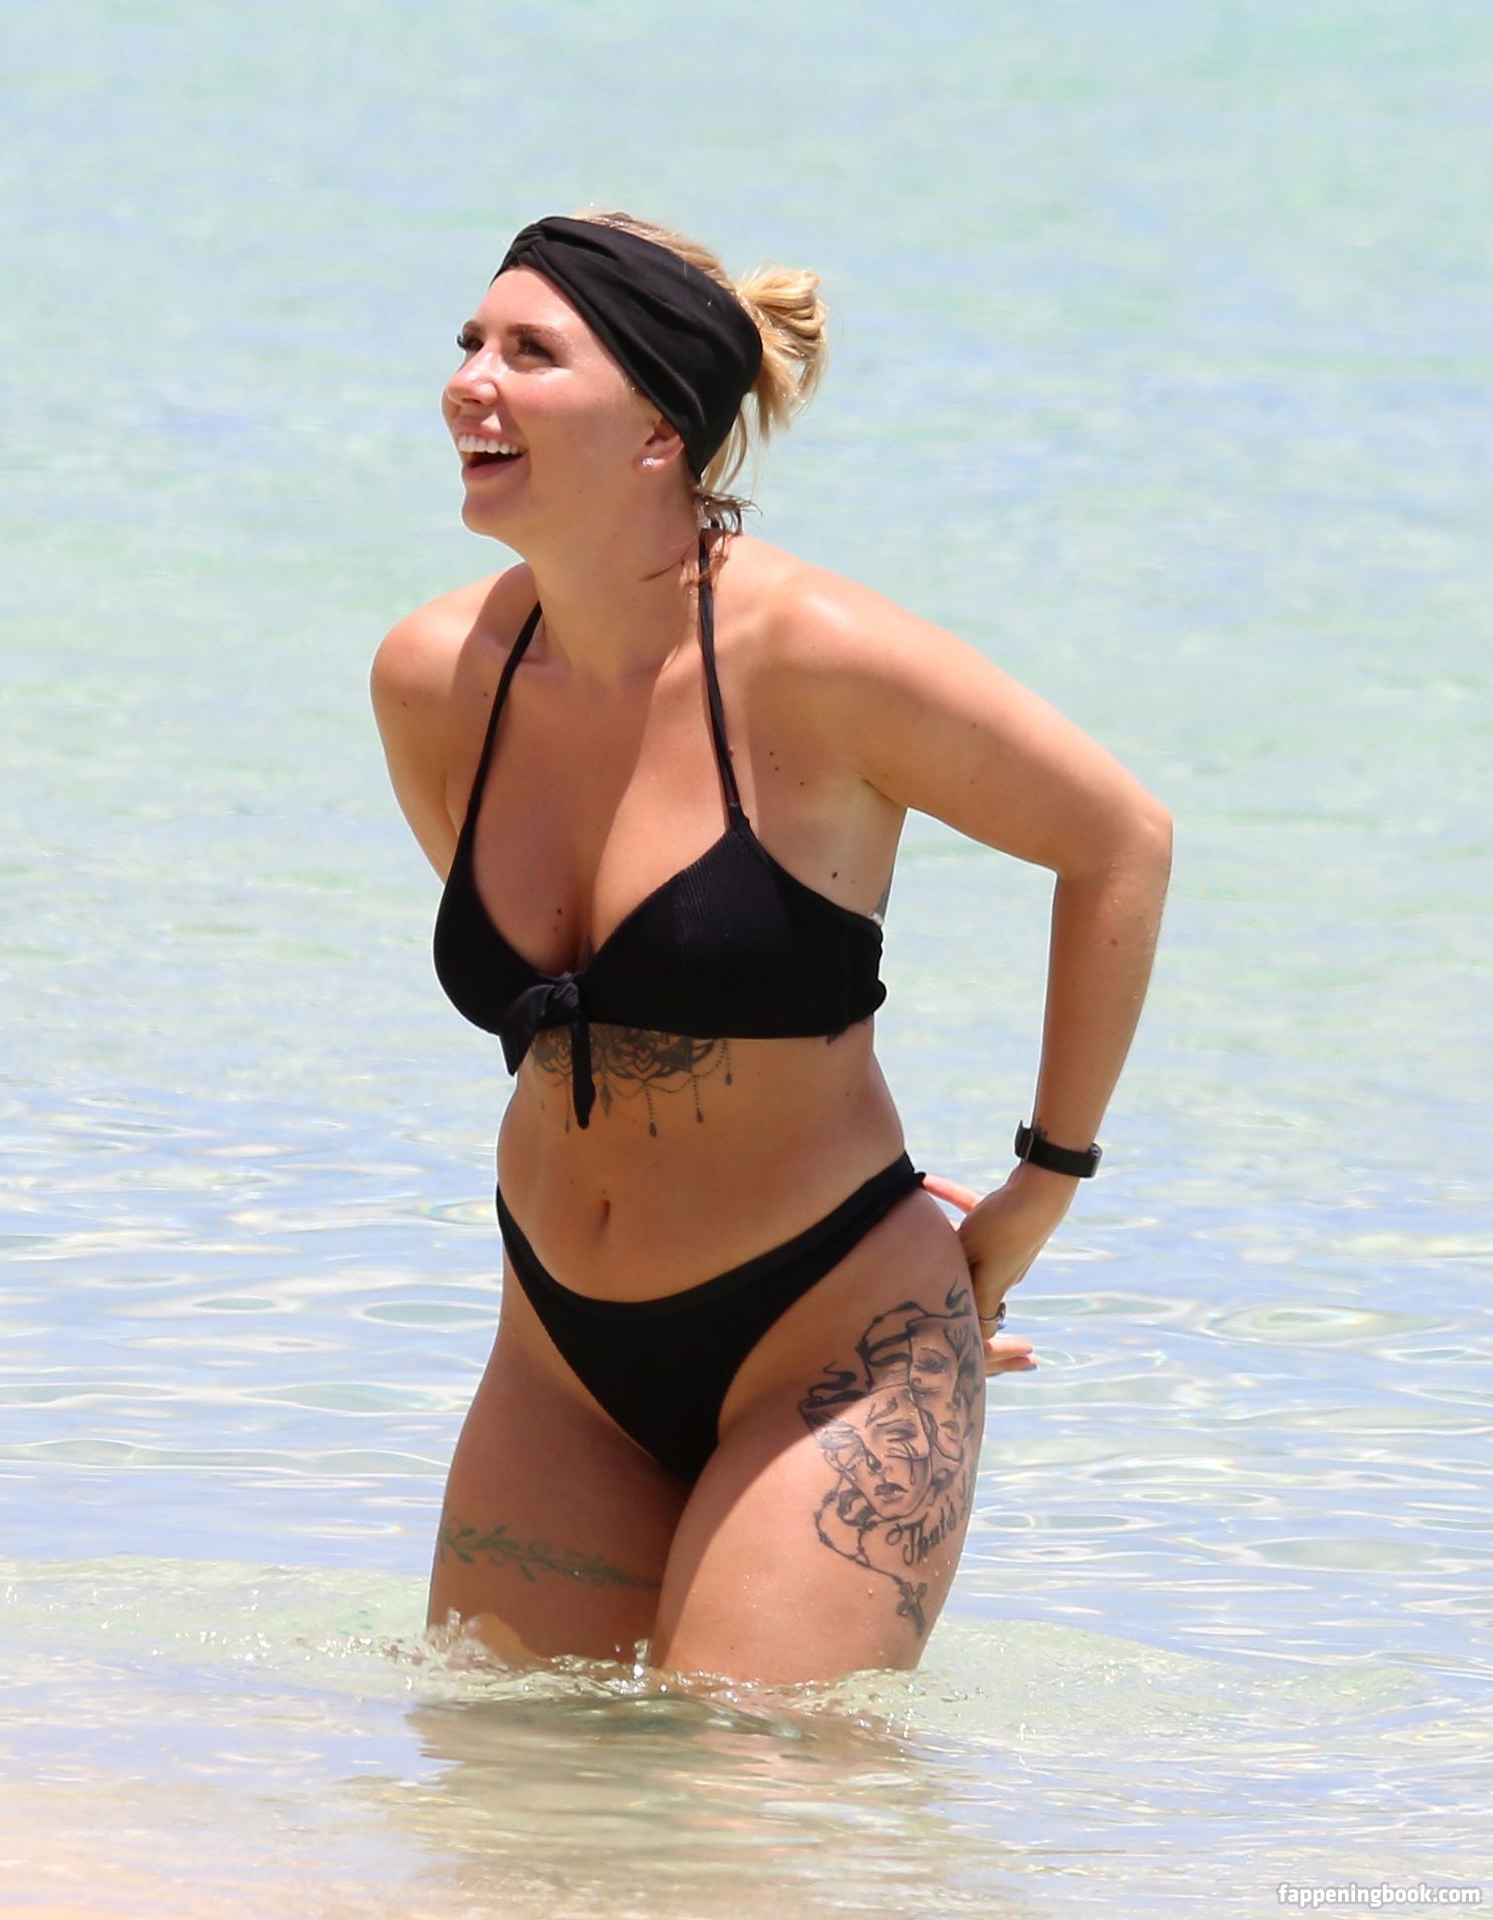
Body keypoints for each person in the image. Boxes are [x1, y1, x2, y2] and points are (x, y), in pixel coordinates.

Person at [371, 209, 1172, 1686]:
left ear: (659, 428)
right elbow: (576, 1019)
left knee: (755, 1804)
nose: (470, 380)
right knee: (502, 1790)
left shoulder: (816, 656)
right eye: (470, 342)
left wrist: (1036, 1194)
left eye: (531, 352)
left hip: (834, 1344)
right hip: (557, 1355)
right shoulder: (437, 677)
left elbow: (1119, 840)